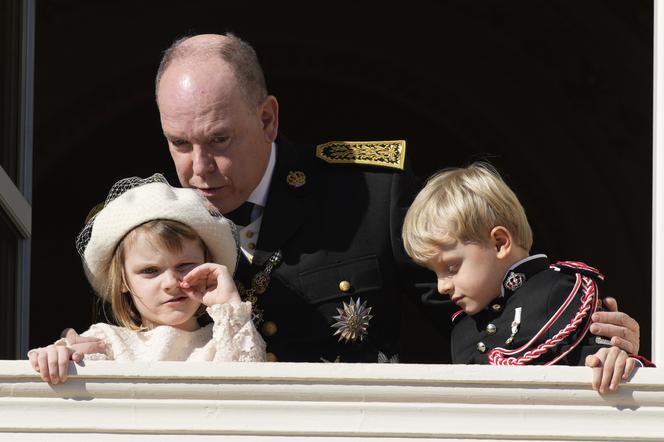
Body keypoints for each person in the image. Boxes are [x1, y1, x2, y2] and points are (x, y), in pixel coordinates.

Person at [62, 32, 641, 363]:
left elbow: (483, 302)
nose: (199, 168)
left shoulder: (370, 194)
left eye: (219, 140)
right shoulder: (146, 225)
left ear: (267, 119)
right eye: (179, 143)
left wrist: (591, 334)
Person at [401, 163, 653, 392]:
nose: (441, 286)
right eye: (435, 273)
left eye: (452, 267)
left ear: (500, 243)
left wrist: (617, 363)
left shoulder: (559, 291)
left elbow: (604, 371)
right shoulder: (464, 332)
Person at [28, 174, 266, 384]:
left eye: (185, 266)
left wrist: (228, 304)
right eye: (150, 271)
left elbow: (250, 388)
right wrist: (56, 358)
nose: (171, 282)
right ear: (122, 281)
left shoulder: (223, 340)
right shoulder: (107, 343)